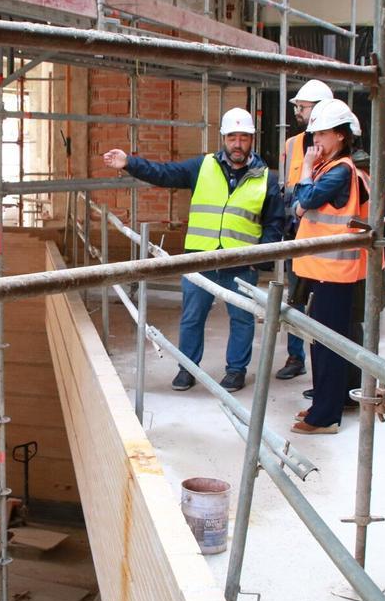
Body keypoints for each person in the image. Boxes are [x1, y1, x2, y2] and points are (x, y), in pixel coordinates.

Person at [102, 108, 285, 393]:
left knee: (241, 319)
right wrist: (130, 163)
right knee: (192, 317)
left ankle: (236, 371)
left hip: (240, 263)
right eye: (233, 137)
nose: (238, 143)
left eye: (244, 138)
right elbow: (164, 174)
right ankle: (187, 368)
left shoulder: (266, 179)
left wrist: (260, 256)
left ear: (252, 140)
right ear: (223, 138)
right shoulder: (203, 166)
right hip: (199, 259)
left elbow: (275, 222)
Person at [290, 100, 370, 435]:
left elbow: (304, 201)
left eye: (321, 133)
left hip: (334, 273)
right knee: (320, 342)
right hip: (322, 270)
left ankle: (325, 417)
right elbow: (298, 202)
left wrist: (306, 168)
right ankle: (324, 404)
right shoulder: (333, 168)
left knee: (328, 345)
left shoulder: (339, 170)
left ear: (340, 135)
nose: (315, 141)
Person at [275, 80, 334, 381]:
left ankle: (326, 363)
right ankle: (296, 356)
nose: (298, 112)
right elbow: (286, 190)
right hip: (296, 234)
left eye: (303, 107)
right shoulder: (291, 145)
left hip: (324, 239)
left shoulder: (335, 148)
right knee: (295, 298)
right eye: (298, 107)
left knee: (324, 304)